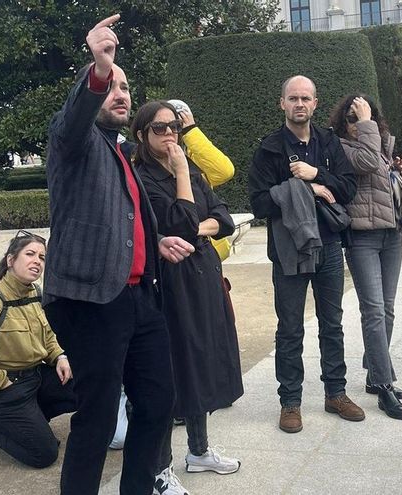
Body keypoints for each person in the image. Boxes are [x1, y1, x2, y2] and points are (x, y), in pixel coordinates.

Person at [41, 14, 195, 495]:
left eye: (126, 87)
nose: (122, 94)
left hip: (137, 297)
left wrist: (154, 245)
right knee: (100, 412)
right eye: (113, 87)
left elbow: (120, 218)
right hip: (91, 301)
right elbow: (73, 120)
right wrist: (99, 68)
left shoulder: (121, 151)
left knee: (156, 401)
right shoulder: (75, 141)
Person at [132, 101, 244, 490]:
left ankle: (199, 451)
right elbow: (178, 222)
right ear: (143, 134)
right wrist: (182, 174)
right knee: (173, 373)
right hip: (170, 285)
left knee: (203, 365)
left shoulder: (193, 172)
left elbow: (224, 218)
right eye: (160, 128)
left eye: (174, 127)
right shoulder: (143, 177)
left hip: (204, 279)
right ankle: (159, 468)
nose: (170, 134)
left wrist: (200, 225)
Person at [249, 75, 361, 434]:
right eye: (293, 98)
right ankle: (290, 401)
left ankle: (335, 393)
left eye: (306, 98)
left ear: (315, 104)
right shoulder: (269, 149)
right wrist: (304, 188)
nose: (299, 104)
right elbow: (259, 202)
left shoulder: (329, 143)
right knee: (290, 328)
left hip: (327, 244)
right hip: (288, 250)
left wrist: (318, 174)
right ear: (282, 103)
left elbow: (348, 188)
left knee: (333, 323)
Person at [0, 231, 76, 468]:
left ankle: (31, 423)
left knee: (83, 385)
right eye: (30, 254)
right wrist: (2, 384)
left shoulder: (35, 293)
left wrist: (59, 356)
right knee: (44, 455)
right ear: (11, 260)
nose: (37, 262)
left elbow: (48, 334)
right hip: (5, 391)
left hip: (35, 378)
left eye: (42, 257)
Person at [329, 93, 402, 421]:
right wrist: (367, 125)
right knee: (374, 310)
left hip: (390, 232)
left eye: (363, 118)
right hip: (362, 235)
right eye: (351, 118)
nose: (357, 124)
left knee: (388, 309)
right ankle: (383, 384)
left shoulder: (379, 145)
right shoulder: (340, 147)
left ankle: (373, 369)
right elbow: (364, 163)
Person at [168, 98, 236, 261]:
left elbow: (225, 172)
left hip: (208, 250)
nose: (172, 132)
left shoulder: (195, 156)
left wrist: (190, 130)